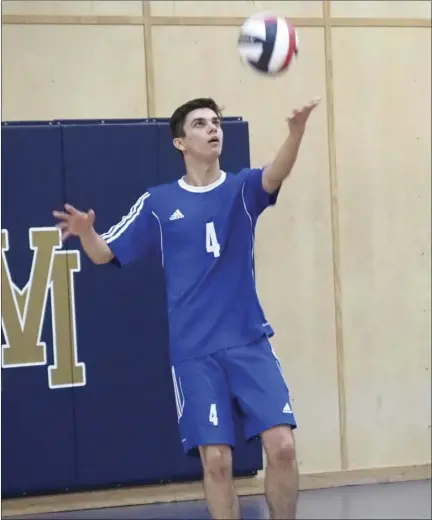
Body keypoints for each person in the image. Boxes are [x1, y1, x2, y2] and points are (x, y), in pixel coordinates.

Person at [53, 96, 320, 520]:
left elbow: (275, 173)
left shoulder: (242, 189)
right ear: (181, 142)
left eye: (216, 122)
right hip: (195, 353)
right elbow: (104, 254)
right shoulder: (158, 203)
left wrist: (296, 132)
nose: (213, 129)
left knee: (283, 448)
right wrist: (86, 232)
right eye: (200, 124)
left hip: (249, 341)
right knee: (216, 462)